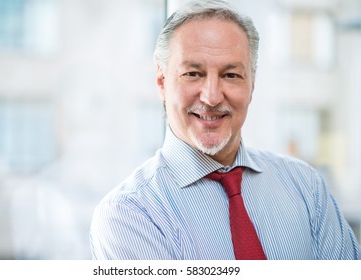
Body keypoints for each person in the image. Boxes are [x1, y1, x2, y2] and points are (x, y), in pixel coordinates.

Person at [90, 0, 361, 260]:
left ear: (251, 85)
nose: (211, 97)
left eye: (231, 75)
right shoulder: (129, 213)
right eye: (193, 74)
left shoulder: (306, 187)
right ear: (162, 82)